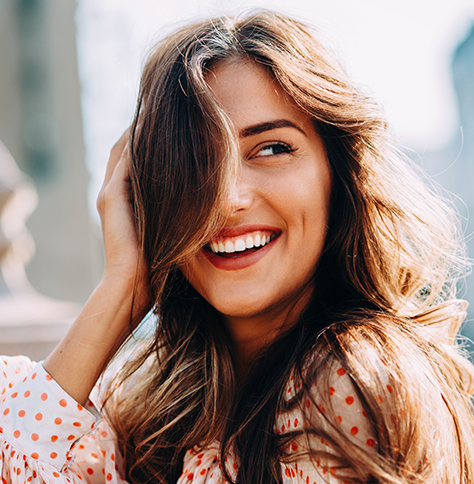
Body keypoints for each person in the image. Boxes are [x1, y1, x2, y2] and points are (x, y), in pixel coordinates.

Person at [1, 10, 474, 484]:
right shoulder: (155, 413)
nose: (227, 199)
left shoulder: (347, 388)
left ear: (338, 175)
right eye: (195, 162)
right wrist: (122, 287)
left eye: (271, 148)